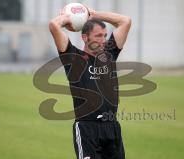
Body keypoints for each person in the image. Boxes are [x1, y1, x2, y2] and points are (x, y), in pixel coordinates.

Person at [49, 4, 131, 159]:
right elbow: (54, 25)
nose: (103, 40)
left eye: (105, 35)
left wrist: (94, 15)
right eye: (98, 36)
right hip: (87, 129)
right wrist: (68, 18)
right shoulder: (73, 58)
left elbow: (125, 21)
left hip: (112, 127)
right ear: (85, 38)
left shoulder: (109, 54)